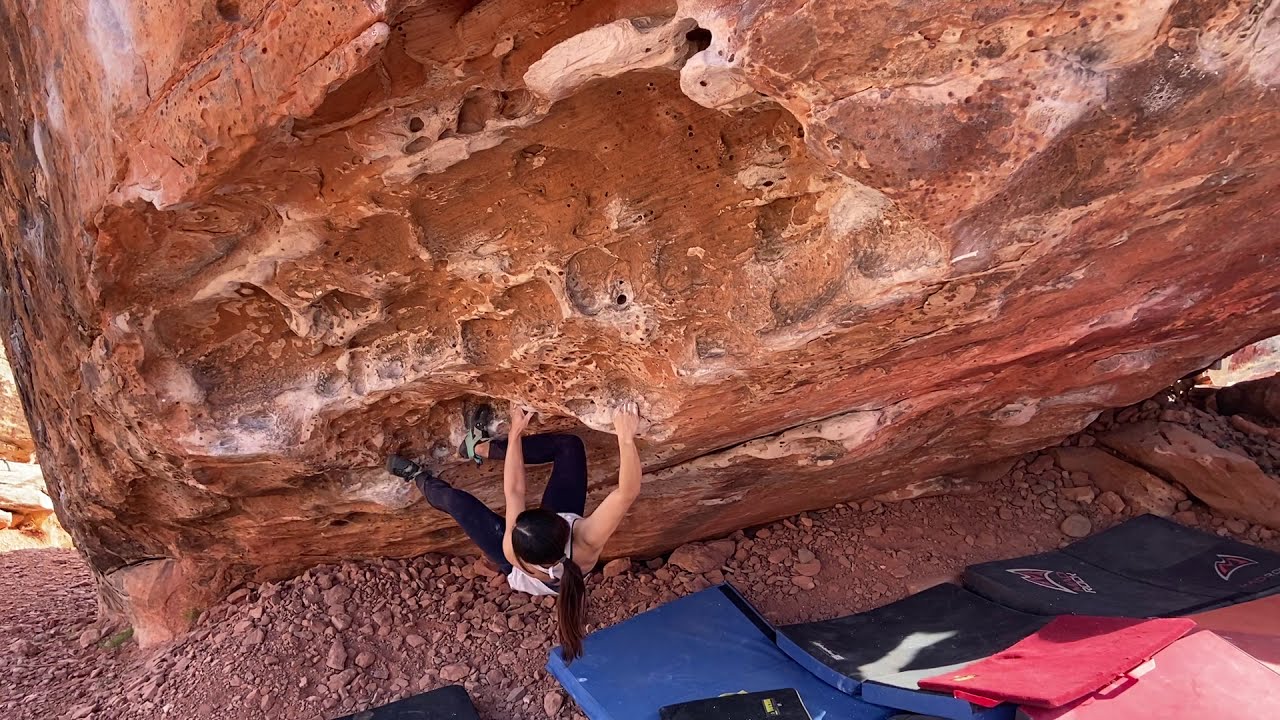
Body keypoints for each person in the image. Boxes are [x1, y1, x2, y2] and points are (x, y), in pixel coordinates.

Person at [386, 401, 642, 662]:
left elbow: (515, 491)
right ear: (560, 523)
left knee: (456, 502)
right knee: (570, 447)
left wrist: (516, 433)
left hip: (523, 565)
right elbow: (626, 493)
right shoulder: (586, 539)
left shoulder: (510, 547)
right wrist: (625, 437)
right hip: (548, 550)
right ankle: (479, 447)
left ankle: (418, 477)